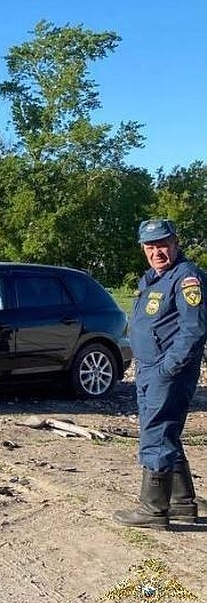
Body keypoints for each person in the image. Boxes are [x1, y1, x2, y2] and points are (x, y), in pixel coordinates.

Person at [114, 218, 207, 529]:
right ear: (143, 248)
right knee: (164, 432)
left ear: (175, 243)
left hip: (167, 371)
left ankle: (153, 511)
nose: (157, 251)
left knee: (155, 435)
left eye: (162, 244)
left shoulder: (187, 278)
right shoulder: (153, 279)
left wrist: (169, 367)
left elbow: (193, 330)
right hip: (149, 369)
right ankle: (182, 504)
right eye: (150, 246)